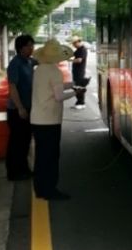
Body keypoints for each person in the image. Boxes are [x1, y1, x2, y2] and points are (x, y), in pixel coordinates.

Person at [31, 39, 80, 201]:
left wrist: (72, 84)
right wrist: (76, 93)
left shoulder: (39, 70)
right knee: (51, 157)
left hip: (37, 119)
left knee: (40, 156)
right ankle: (50, 189)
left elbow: (54, 88)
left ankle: (40, 189)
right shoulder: (54, 71)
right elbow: (59, 96)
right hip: (50, 120)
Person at [6, 34, 36, 181]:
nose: (32, 48)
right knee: (16, 141)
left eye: (32, 45)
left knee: (25, 141)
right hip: (16, 110)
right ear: (21, 48)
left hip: (28, 107)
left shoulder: (30, 62)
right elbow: (12, 87)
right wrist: (20, 108)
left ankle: (23, 169)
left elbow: (44, 59)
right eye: (29, 45)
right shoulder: (15, 64)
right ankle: (13, 171)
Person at [70, 36, 88, 109]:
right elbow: (71, 54)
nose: (73, 45)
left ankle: (81, 103)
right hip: (76, 71)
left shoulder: (82, 50)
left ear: (77, 42)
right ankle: (78, 102)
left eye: (74, 44)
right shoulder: (78, 49)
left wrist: (70, 60)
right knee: (76, 87)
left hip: (80, 71)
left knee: (79, 87)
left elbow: (79, 60)